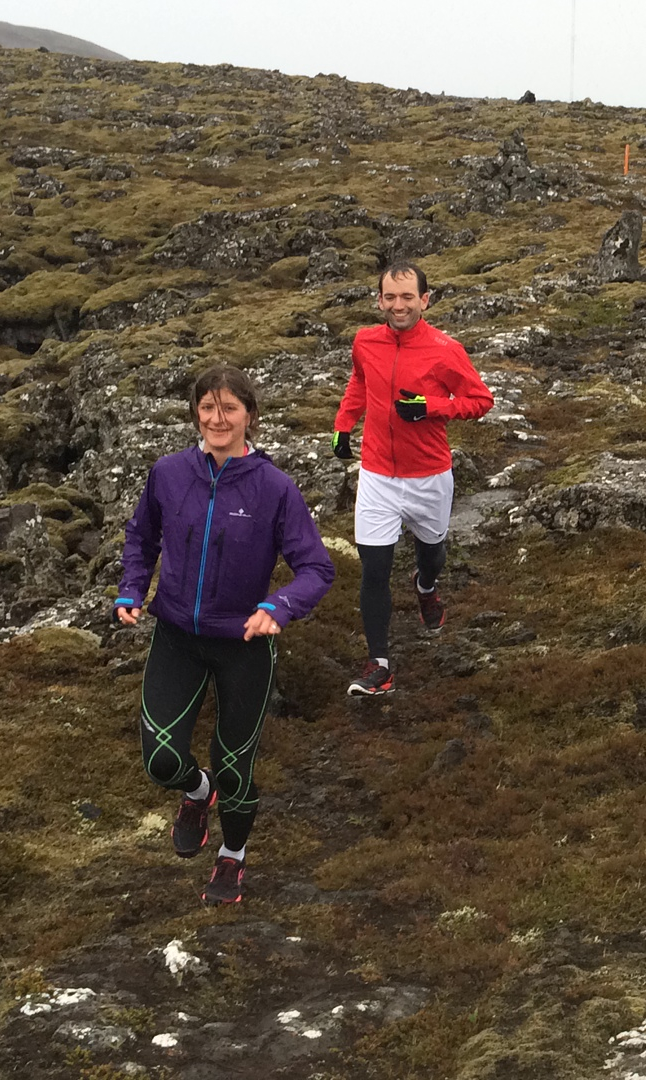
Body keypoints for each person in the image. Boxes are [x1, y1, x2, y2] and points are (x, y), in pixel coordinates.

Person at [116, 364, 335, 904]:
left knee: (236, 767)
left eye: (229, 408)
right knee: (161, 759)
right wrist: (131, 589)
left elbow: (316, 568)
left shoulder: (274, 488)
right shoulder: (168, 473)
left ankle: (232, 856)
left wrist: (278, 607)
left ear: (248, 416)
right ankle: (196, 791)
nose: (218, 418)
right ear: (197, 413)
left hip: (244, 645)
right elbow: (140, 537)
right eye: (208, 407)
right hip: (176, 636)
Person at [333, 261, 495, 696]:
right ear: (379, 299)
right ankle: (379, 665)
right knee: (374, 570)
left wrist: (432, 408)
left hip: (429, 476)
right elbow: (359, 382)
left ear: (426, 299)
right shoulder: (365, 341)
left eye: (408, 297)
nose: (398, 305)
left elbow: (481, 400)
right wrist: (343, 423)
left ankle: (426, 587)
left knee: (432, 556)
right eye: (390, 297)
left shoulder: (446, 349)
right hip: (377, 476)